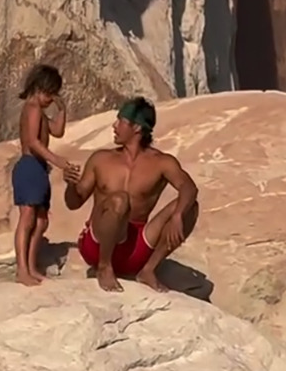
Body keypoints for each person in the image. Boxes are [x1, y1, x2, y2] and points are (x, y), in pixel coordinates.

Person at [63, 96, 199, 292]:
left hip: (137, 248)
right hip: (98, 244)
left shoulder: (161, 162)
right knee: (119, 200)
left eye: (121, 121)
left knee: (190, 206)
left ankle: (148, 270)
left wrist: (178, 215)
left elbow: (189, 188)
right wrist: (70, 185)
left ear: (136, 128)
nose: (114, 126)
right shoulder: (101, 159)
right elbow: (73, 203)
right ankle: (104, 267)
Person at [12, 64, 78, 286]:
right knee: (28, 217)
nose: (51, 98)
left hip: (39, 169)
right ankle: (22, 269)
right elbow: (33, 141)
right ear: (39, 88)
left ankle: (31, 266)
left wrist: (62, 110)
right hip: (30, 166)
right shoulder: (32, 109)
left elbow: (57, 131)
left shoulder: (40, 112)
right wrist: (57, 160)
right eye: (49, 93)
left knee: (41, 221)